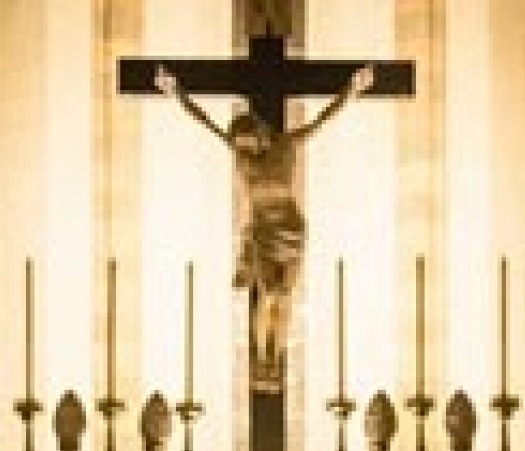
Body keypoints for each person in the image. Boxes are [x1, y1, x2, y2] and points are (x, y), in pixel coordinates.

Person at [155, 62, 374, 368]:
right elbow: (204, 121)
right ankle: (259, 360)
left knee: (285, 297)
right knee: (268, 295)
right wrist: (176, 92)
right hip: (263, 232)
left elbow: (323, 120)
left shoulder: (286, 144)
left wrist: (352, 91)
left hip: (291, 232)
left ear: (258, 134)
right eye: (240, 148)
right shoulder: (239, 150)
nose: (244, 153)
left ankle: (278, 358)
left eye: (248, 145)